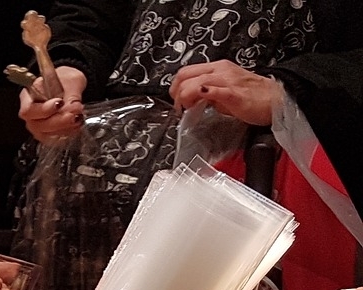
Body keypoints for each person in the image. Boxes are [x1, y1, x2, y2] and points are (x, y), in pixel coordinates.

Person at [20, 0, 363, 199]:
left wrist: (291, 85)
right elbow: (90, 14)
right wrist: (69, 66)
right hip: (86, 172)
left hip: (261, 180)